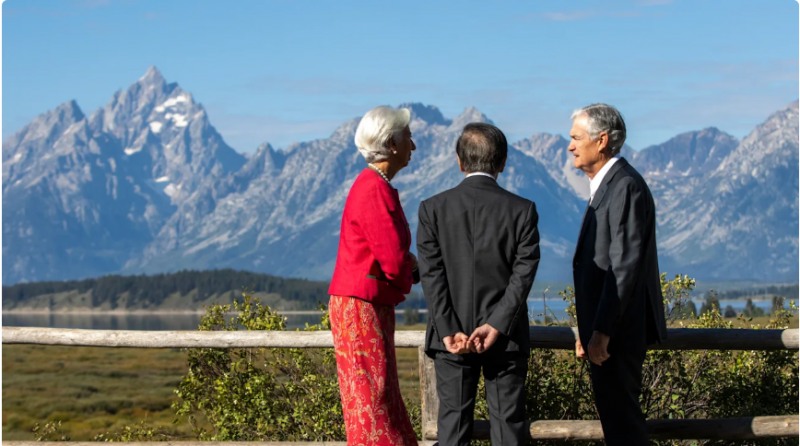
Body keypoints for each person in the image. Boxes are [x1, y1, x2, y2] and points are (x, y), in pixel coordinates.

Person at [417, 122, 540, 446]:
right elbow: (523, 273)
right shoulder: (523, 210)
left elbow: (432, 275)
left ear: (460, 161)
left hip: (451, 339)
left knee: (453, 427)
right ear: (502, 162)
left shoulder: (432, 209)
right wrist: (497, 325)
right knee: (508, 427)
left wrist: (447, 329)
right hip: (506, 338)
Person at [568, 103, 667, 445]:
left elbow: (622, 266)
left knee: (624, 428)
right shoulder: (611, 185)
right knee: (617, 423)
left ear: (602, 140)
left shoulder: (624, 186)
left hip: (617, 336)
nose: (570, 146)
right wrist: (589, 326)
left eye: (576, 138)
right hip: (608, 332)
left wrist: (602, 331)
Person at [328, 105, 419, 446]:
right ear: (392, 143)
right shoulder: (373, 189)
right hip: (361, 306)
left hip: (365, 303)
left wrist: (405, 266)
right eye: (408, 137)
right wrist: (411, 272)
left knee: (374, 393)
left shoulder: (373, 185)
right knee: (372, 396)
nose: (413, 145)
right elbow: (392, 260)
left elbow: (387, 255)